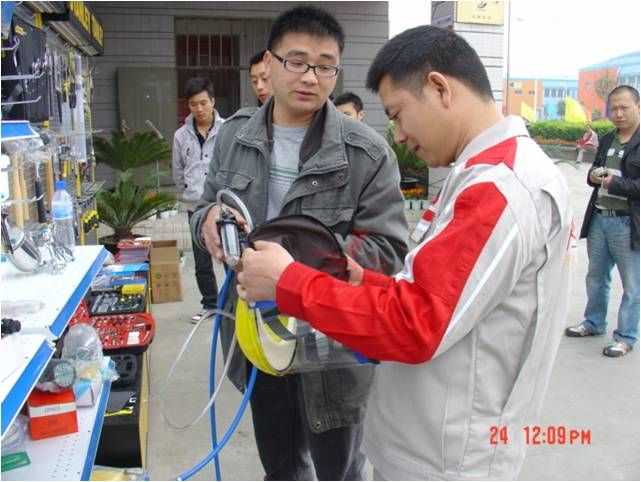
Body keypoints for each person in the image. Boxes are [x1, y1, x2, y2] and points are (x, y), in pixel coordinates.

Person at [237, 25, 574, 480]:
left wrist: (289, 282)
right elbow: (439, 295)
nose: (397, 135)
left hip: (446, 460)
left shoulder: (499, 188)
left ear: (439, 88)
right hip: (430, 443)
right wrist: (365, 281)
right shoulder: (481, 175)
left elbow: (416, 323)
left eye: (397, 114)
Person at [189, 6, 408, 480]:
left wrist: (294, 271)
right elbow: (205, 205)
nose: (311, 76)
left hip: (333, 348)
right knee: (281, 466)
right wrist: (207, 221)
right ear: (269, 64)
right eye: (297, 61)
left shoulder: (366, 153)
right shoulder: (234, 137)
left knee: (339, 470)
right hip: (257, 335)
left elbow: (388, 250)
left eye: (326, 66)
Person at [566, 85, 640, 357]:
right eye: (614, 108)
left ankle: (626, 336)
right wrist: (595, 176)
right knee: (596, 277)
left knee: (632, 285)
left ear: (638, 106)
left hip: (627, 223)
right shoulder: (608, 139)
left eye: (624, 108)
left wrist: (614, 183)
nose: (618, 113)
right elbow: (594, 175)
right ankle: (594, 322)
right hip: (599, 218)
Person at [172, 77, 225, 323]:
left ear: (212, 101)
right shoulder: (180, 136)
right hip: (195, 206)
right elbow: (177, 170)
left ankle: (234, 304)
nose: (199, 109)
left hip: (223, 205)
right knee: (201, 259)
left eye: (204, 103)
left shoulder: (227, 129)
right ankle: (210, 304)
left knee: (230, 254)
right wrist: (187, 191)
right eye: (194, 104)